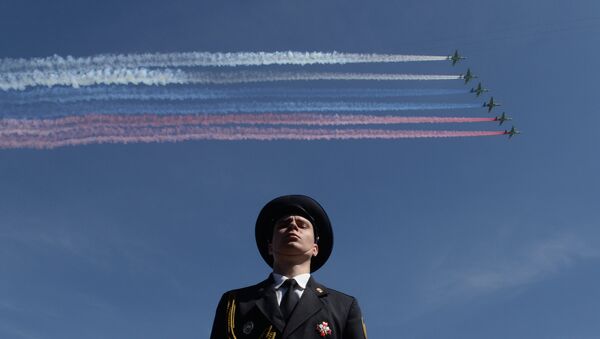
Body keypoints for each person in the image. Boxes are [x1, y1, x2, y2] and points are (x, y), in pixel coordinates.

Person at [210, 195, 367, 339]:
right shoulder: (236, 303)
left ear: (315, 248)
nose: (293, 226)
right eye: (284, 224)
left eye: (302, 225)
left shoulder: (343, 307)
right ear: (270, 246)